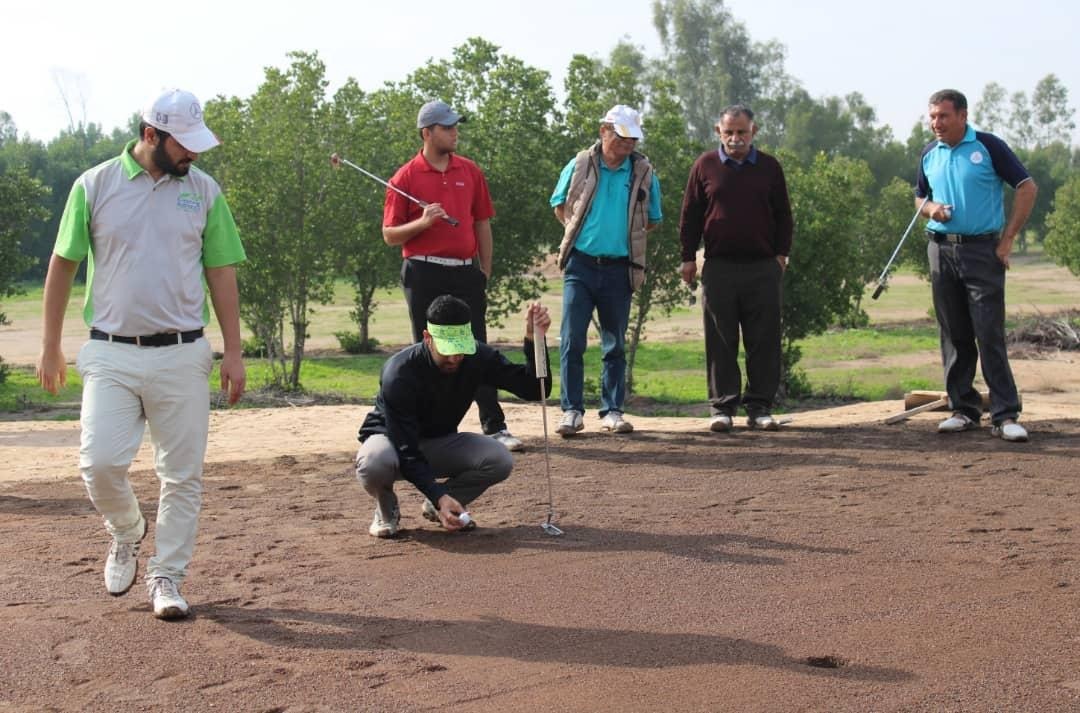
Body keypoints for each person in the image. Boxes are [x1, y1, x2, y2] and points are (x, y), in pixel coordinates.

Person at [35, 88, 246, 620]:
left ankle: (167, 576)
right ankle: (127, 528)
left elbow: (221, 272)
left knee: (182, 476)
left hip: (183, 352)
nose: (193, 155)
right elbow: (63, 265)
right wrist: (50, 346)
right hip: (110, 352)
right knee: (99, 463)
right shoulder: (94, 185)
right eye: (184, 144)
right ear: (150, 135)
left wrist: (234, 352)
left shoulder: (203, 191)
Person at [382, 99, 523, 452]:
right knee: (429, 350)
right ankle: (427, 430)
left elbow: (482, 222)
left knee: (476, 347)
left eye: (456, 126)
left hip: (464, 273)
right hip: (423, 271)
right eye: (447, 127)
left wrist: (484, 271)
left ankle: (495, 426)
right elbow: (390, 234)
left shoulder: (470, 171)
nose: (455, 132)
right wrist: (423, 222)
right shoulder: (405, 177)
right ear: (427, 133)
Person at [355, 296, 551, 537]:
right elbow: (406, 448)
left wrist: (535, 339)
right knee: (374, 461)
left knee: (499, 459)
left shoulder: (477, 357)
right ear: (428, 338)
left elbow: (535, 389)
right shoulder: (399, 373)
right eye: (447, 350)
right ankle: (387, 509)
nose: (454, 358)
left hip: (439, 441)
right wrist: (437, 494)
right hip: (393, 443)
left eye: (460, 349)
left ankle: (444, 504)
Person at [915, 89, 1037, 442]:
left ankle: (1004, 414)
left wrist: (1009, 237)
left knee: (988, 332)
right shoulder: (928, 153)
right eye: (933, 116)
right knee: (954, 333)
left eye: (944, 116)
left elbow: (1027, 187)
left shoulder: (988, 146)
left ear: (962, 116)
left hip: (982, 250)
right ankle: (964, 409)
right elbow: (920, 196)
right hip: (940, 250)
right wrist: (930, 209)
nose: (936, 123)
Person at [677, 104, 793, 433]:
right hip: (718, 267)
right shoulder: (705, 165)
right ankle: (722, 408)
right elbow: (690, 216)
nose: (735, 138)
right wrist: (688, 257)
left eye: (741, 132)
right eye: (729, 132)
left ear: (754, 131)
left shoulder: (770, 167)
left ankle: (759, 408)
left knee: (763, 339)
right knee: (720, 340)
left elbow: (784, 215)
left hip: (762, 267)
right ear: (718, 131)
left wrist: (781, 255)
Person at [550, 104, 662, 437]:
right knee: (572, 339)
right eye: (621, 137)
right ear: (604, 131)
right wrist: (583, 232)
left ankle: (612, 410)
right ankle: (571, 411)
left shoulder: (642, 172)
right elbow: (560, 206)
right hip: (580, 265)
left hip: (620, 268)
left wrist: (621, 234)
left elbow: (653, 219)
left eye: (632, 139)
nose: (627, 145)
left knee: (614, 344)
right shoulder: (580, 164)